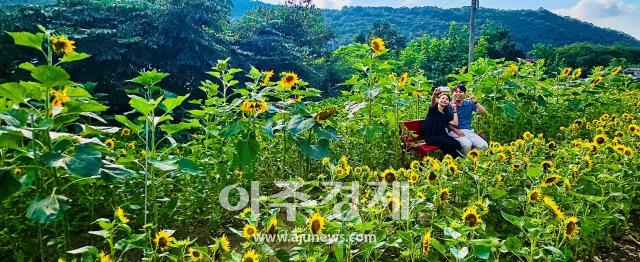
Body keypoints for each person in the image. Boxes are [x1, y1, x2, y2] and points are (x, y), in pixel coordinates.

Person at [422, 87, 463, 158]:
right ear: (438, 100)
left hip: (442, 135)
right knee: (448, 144)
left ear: (448, 103)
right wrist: (434, 94)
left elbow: (455, 123)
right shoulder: (433, 109)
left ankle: (451, 159)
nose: (444, 100)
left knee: (457, 144)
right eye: (442, 98)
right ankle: (457, 159)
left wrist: (454, 110)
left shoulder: (446, 113)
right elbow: (432, 102)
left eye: (447, 99)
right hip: (431, 136)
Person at [447, 85, 489, 154]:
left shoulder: (469, 104)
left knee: (484, 146)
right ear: (453, 94)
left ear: (465, 94)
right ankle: (462, 161)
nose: (458, 94)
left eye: (460, 92)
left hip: (468, 131)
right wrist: (456, 130)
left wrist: (476, 102)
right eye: (456, 92)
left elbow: (484, 113)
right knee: (467, 145)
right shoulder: (449, 105)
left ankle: (475, 161)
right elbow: (445, 123)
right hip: (453, 132)